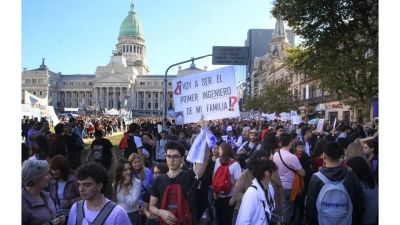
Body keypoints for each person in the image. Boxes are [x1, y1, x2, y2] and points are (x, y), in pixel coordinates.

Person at [149, 120, 211, 225]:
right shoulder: (158, 179)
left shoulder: (190, 176)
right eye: (169, 156)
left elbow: (204, 159)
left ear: (182, 158)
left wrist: (205, 131)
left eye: (175, 156)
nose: (171, 160)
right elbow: (151, 206)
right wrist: (161, 212)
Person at [305, 142, 364, 225]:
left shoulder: (316, 178)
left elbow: (310, 207)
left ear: (324, 157)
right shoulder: (351, 175)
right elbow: (359, 204)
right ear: (341, 157)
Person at [67, 162, 132, 225]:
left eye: (87, 185)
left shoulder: (117, 213)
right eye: (79, 185)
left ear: (99, 186)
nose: (81, 189)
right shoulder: (75, 208)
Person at [231, 150, 284, 225]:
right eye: (260, 162)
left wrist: (280, 214)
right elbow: (236, 194)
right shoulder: (246, 176)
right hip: (246, 210)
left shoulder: (270, 181)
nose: (262, 164)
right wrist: (255, 199)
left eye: (264, 161)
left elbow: (279, 193)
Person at [272, 133, 305, 225]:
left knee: (279, 207)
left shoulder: (275, 154)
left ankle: (279, 222)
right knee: (288, 208)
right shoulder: (292, 157)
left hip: (278, 185)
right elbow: (302, 173)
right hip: (289, 186)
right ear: (290, 143)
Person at [22, 160, 66, 225]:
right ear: (35, 177)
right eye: (46, 174)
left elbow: (51, 216)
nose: (50, 176)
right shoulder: (22, 203)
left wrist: (58, 219)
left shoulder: (46, 195)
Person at [346, 156, 378, 225]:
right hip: (372, 219)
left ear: (356, 170)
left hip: (363, 220)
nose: (348, 171)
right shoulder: (372, 182)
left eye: (350, 169)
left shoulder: (360, 185)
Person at [49, 155, 81, 222]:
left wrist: (70, 202)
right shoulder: (52, 181)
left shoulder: (74, 180)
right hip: (58, 216)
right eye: (52, 169)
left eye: (56, 169)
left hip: (72, 214)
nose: (53, 172)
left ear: (63, 168)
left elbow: (83, 196)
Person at [113, 158, 142, 225]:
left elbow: (131, 203)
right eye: (125, 170)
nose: (129, 172)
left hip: (132, 215)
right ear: (119, 171)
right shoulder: (115, 183)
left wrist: (125, 187)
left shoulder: (137, 183)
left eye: (129, 169)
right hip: (118, 214)